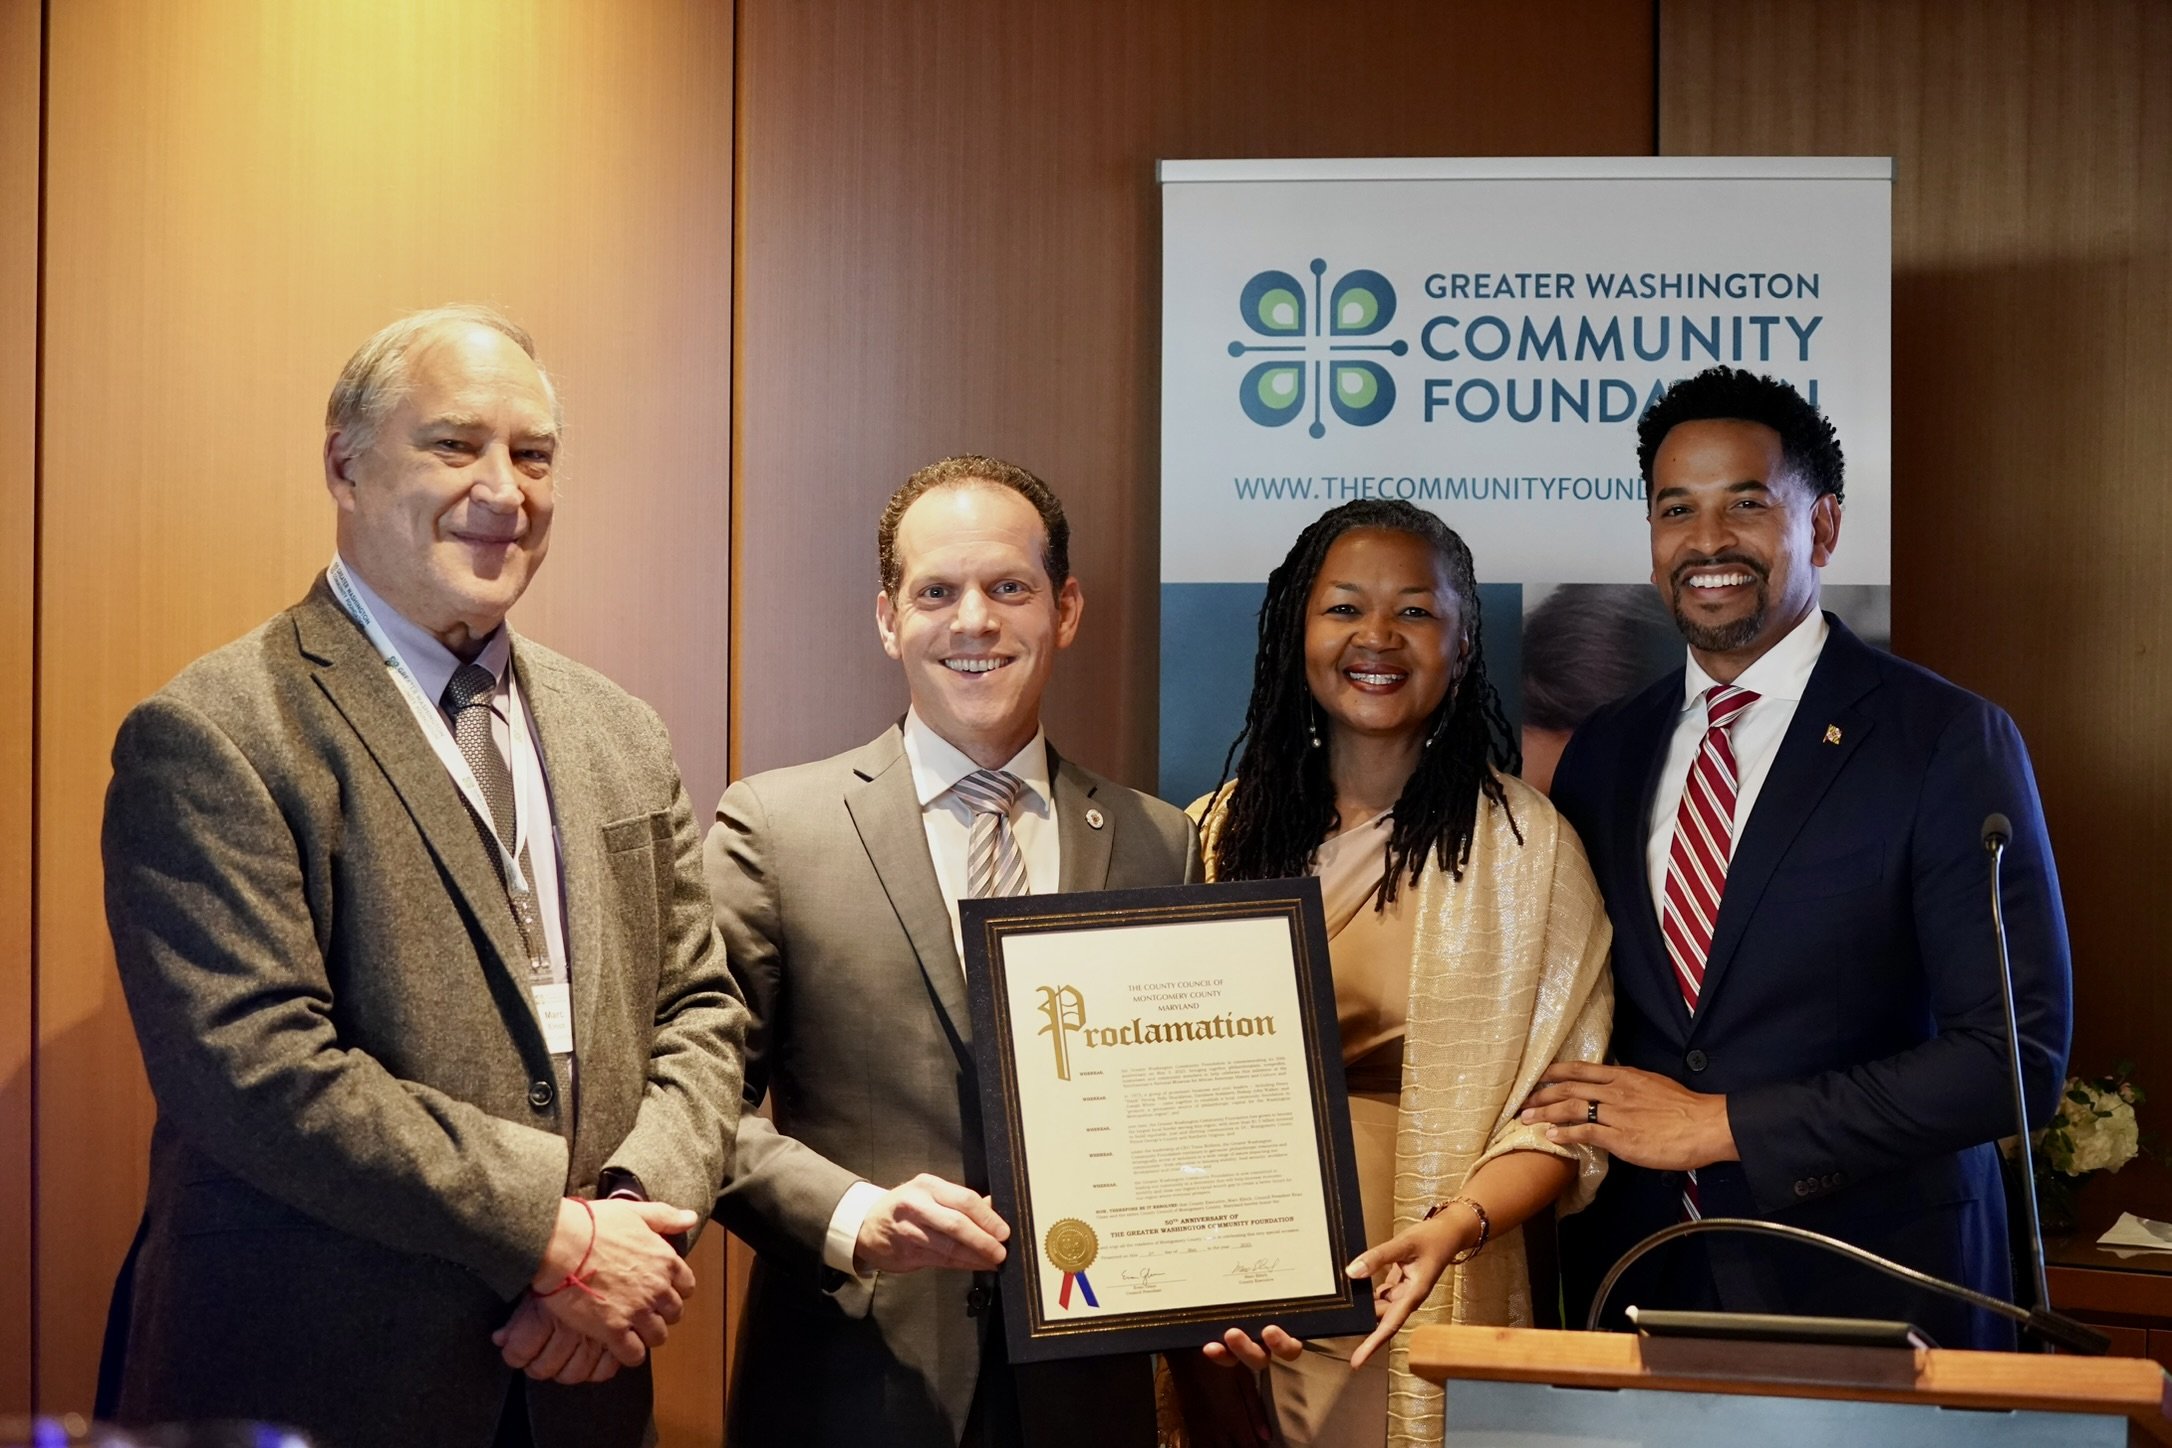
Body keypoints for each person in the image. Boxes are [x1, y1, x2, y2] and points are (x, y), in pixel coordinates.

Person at [99, 305, 749, 1447]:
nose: (504, 489)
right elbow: (256, 1071)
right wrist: (550, 1233)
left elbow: (699, 1010)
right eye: (455, 445)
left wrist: (630, 1214)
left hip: (582, 1379)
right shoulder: (214, 729)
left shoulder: (622, 732)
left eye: (534, 454)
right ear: (343, 465)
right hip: (320, 1383)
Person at [1529, 365, 2072, 1348]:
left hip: (1876, 1285)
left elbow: (2012, 1062)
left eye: (1746, 503)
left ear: (1821, 526)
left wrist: (1725, 1123)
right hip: (1635, 1276)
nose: (1706, 543)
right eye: (1675, 509)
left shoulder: (1945, 740)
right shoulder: (1605, 750)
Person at [707, 455, 1199, 1448]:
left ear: (1064, 609)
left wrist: (1228, 1266)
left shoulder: (1159, 839)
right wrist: (857, 1213)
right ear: (889, 617)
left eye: (1008, 587)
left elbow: (1174, 1112)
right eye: (938, 590)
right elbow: (693, 1107)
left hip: (1086, 1395)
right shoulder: (775, 826)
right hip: (851, 1388)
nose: (975, 621)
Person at [1176, 499, 1613, 1448]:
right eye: (1343, 608)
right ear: (1297, 632)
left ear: (1462, 644)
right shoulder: (1211, 835)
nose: (1376, 636)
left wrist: (1457, 1226)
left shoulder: (1528, 851)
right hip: (1228, 1297)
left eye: (1415, 610)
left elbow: (1566, 1113)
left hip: (1417, 1290)